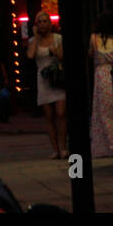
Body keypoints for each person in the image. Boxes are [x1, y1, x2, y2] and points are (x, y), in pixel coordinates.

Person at [28, 12, 67, 158]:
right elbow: (30, 55)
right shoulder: (34, 40)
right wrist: (37, 37)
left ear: (50, 24)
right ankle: (55, 149)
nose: (43, 24)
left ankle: (64, 147)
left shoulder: (58, 39)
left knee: (61, 113)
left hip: (57, 78)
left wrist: (55, 52)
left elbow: (63, 57)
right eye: (40, 22)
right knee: (49, 116)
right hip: (43, 80)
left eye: (45, 21)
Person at [89, 12, 113, 158]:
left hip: (101, 75)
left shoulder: (94, 38)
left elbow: (90, 54)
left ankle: (107, 144)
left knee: (103, 111)